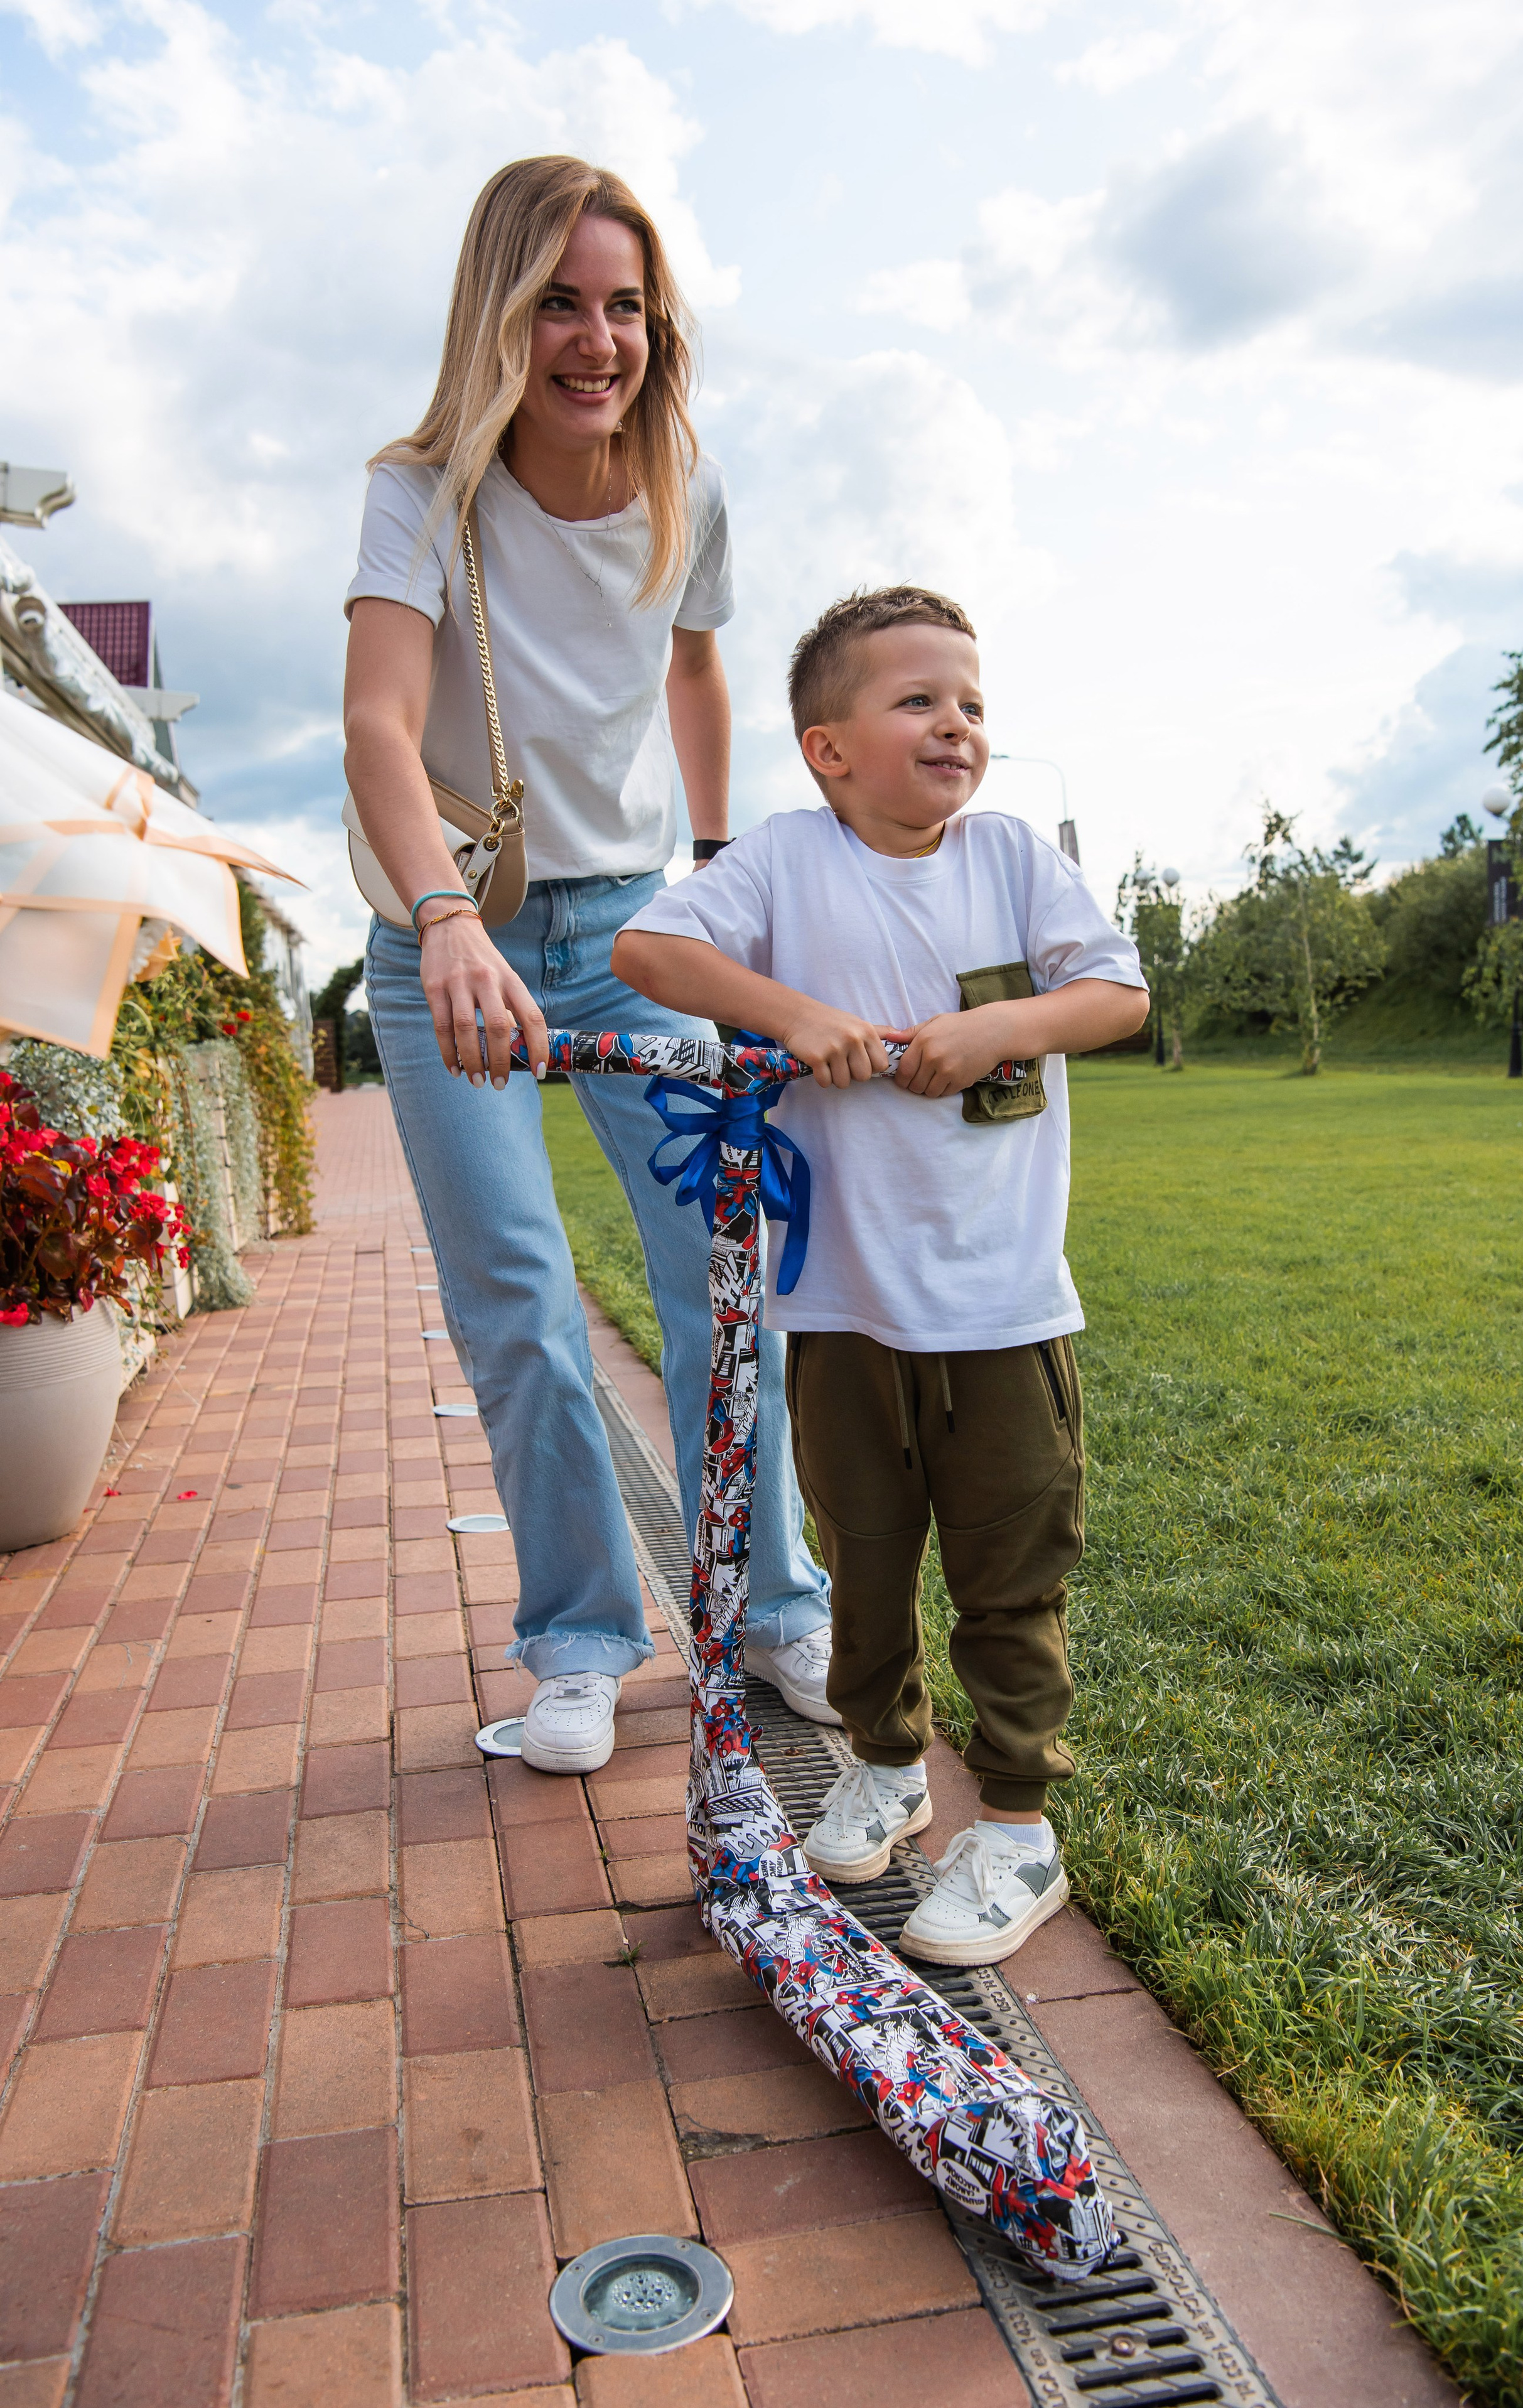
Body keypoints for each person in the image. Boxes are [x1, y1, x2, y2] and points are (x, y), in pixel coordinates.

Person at [343, 156, 831, 1778]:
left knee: (721, 1273)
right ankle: (578, 1635)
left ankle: (773, 1608)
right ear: (502, 309)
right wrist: (443, 917)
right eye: (559, 299)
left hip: (629, 932)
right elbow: (377, 726)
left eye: (625, 305)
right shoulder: (420, 490)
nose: (597, 337)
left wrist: (712, 861)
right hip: (451, 941)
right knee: (521, 1294)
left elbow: (695, 670)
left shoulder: (683, 480)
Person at [611, 586, 1149, 1964]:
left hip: (1001, 1307)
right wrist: (791, 1013)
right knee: (862, 1565)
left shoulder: (1011, 857)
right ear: (827, 747)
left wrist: (998, 1027)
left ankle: (1019, 1828)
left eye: (969, 702)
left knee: (1007, 1575)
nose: (955, 724)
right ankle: (887, 1765)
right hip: (843, 1310)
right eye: (916, 700)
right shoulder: (788, 863)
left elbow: (1117, 994)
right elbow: (646, 948)